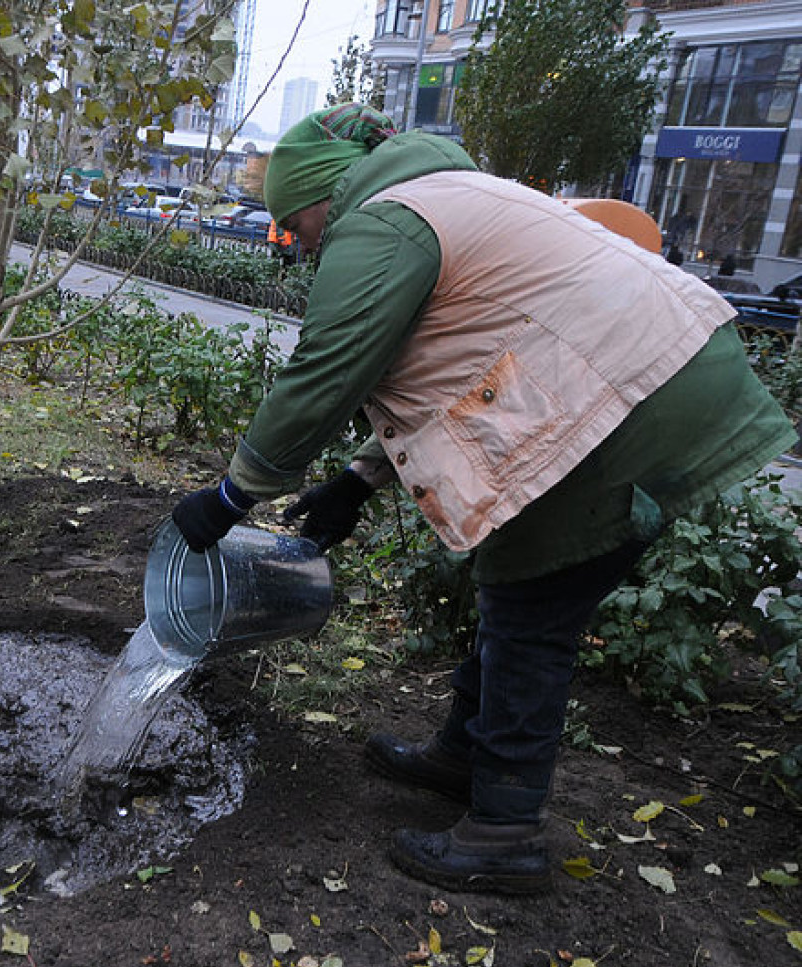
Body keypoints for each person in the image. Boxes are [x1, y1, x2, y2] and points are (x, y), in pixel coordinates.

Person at [170, 104, 794, 895]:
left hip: (630, 395)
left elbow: (327, 370)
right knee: (515, 579)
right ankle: (467, 753)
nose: (300, 243)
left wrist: (233, 494)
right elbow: (464, 365)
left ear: (325, 194)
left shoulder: (384, 224)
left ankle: (504, 830)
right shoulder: (444, 193)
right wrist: (359, 480)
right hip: (648, 375)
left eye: (296, 223)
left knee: (534, 606)